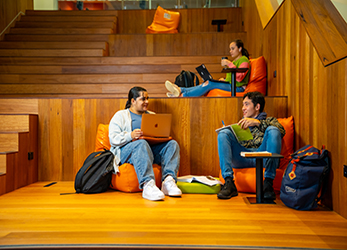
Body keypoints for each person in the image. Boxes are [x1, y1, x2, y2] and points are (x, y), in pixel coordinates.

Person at [108, 86, 182, 201]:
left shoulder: (151, 114)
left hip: (149, 150)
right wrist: (130, 135)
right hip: (125, 152)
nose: (146, 102)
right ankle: (148, 184)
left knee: (172, 144)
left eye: (147, 98)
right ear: (133, 101)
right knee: (141, 143)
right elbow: (113, 139)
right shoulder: (120, 115)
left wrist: (161, 137)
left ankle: (168, 181)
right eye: (143, 99)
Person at [217, 91, 286, 200]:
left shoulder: (270, 121)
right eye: (243, 105)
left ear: (257, 106)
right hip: (242, 157)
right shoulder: (241, 124)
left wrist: (257, 123)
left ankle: (268, 183)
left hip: (263, 157)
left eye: (246, 104)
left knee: (274, 130)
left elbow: (281, 131)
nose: (243, 108)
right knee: (223, 133)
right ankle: (229, 182)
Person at [165, 39, 251, 97]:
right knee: (207, 82)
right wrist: (224, 80)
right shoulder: (235, 61)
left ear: (240, 49)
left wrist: (229, 64)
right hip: (231, 85)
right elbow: (233, 77)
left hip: (238, 88)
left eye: (233, 49)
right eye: (230, 49)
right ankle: (180, 89)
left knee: (209, 83)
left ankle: (182, 95)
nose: (230, 51)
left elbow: (239, 78)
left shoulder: (244, 60)